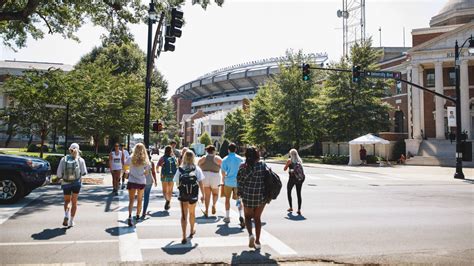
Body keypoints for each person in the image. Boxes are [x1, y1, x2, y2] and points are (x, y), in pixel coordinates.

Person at [237, 147, 267, 250]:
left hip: (248, 196)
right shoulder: (262, 165)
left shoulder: (243, 167)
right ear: (257, 155)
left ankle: (250, 235)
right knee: (257, 218)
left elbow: (239, 182)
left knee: (248, 218)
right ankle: (258, 242)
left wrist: (239, 194)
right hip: (261, 196)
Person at [173, 150, 205, 244]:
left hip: (183, 194)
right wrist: (203, 195)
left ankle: (183, 236)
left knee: (184, 215)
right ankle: (191, 231)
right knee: (192, 213)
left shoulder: (180, 169)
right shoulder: (196, 168)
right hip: (193, 195)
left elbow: (176, 182)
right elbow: (201, 182)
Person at [56, 143, 87, 227]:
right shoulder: (80, 160)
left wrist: (60, 177)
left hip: (66, 183)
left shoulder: (63, 159)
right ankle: (71, 221)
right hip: (76, 183)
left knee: (67, 201)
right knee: (74, 202)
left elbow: (59, 174)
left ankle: (66, 215)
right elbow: (84, 173)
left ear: (69, 150)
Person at [123, 143, 151, 226]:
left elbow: (125, 166)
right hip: (141, 181)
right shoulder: (145, 159)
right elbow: (147, 172)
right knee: (139, 199)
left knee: (131, 200)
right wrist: (142, 173)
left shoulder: (130, 158)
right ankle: (138, 215)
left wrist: (128, 171)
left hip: (131, 180)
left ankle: (130, 215)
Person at [220, 143, 244, 226]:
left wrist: (223, 180)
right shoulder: (240, 159)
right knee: (239, 200)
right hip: (238, 182)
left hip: (228, 182)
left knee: (227, 199)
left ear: (228, 150)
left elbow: (223, 172)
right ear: (236, 149)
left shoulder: (225, 159)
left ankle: (227, 217)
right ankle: (241, 215)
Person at [198, 145, 222, 217]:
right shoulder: (217, 158)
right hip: (215, 176)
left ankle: (206, 210)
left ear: (207, 151)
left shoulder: (203, 158)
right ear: (214, 151)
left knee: (207, 195)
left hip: (205, 176)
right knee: (215, 194)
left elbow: (197, 166)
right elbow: (223, 166)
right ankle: (214, 204)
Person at [283, 149, 304, 215]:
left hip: (292, 179)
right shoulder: (299, 160)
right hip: (299, 179)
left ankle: (291, 207)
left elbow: (284, 169)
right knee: (299, 194)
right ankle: (299, 209)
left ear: (290, 154)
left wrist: (288, 166)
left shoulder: (289, 161)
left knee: (289, 192)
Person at [157, 146, 178, 210]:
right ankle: (169, 202)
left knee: (164, 190)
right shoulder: (173, 158)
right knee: (170, 190)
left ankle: (167, 200)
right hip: (172, 175)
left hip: (164, 175)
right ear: (171, 151)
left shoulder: (162, 158)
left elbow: (157, 166)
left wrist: (157, 170)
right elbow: (177, 166)